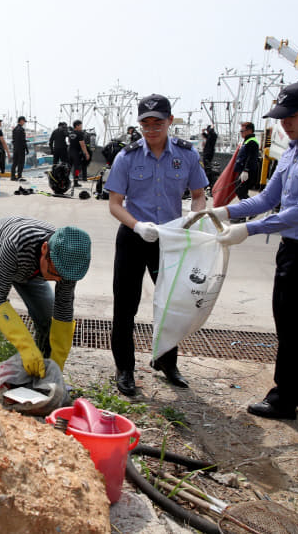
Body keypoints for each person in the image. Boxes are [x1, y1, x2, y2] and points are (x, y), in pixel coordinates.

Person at [211, 82, 298, 420]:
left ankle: (283, 399)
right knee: (294, 326)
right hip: (292, 250)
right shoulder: (294, 149)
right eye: (281, 117)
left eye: (291, 116)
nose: (284, 123)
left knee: (294, 327)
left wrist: (248, 229)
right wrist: (225, 211)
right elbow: (267, 198)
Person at [105, 94, 208, 396]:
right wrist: (138, 225)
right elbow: (114, 203)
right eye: (145, 124)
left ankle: (166, 362)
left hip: (171, 238)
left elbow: (199, 193)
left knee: (170, 304)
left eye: (157, 123)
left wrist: (195, 214)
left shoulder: (187, 155)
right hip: (134, 235)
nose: (151, 130)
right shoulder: (128, 156)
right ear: (139, 125)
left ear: (169, 122)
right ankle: (124, 368)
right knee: (125, 306)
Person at [0, 217, 91, 378]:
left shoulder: (67, 264)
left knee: (47, 316)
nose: (57, 281)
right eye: (54, 274)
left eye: (61, 278)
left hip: (28, 269)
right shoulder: (17, 242)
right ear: (44, 249)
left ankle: (42, 373)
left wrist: (57, 365)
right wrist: (25, 346)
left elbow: (63, 309)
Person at [230, 122, 259, 221]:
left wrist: (246, 170)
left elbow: (251, 157)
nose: (241, 133)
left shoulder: (252, 142)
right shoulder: (246, 141)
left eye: (242, 131)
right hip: (243, 171)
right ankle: (247, 212)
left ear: (249, 130)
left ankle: (247, 213)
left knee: (241, 192)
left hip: (247, 172)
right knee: (240, 191)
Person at [68, 120, 91, 186]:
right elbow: (82, 145)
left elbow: (69, 141)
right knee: (77, 168)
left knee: (69, 167)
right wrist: (86, 153)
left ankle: (65, 180)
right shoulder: (80, 133)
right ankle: (75, 182)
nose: (81, 127)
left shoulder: (70, 133)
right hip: (76, 152)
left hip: (69, 151)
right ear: (77, 126)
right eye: (80, 125)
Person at [11, 116, 30, 181]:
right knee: (21, 163)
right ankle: (19, 176)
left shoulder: (14, 129)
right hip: (21, 149)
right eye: (24, 121)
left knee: (15, 163)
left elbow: (13, 140)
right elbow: (23, 140)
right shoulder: (21, 130)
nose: (24, 123)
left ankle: (12, 176)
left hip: (15, 148)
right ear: (21, 121)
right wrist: (27, 149)